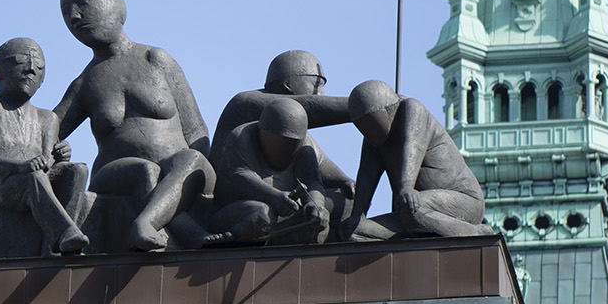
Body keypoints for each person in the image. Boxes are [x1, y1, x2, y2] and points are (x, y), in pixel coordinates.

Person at [54, 0, 214, 252]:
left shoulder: (156, 59)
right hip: (116, 173)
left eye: (83, 4)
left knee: (193, 158)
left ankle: (155, 224)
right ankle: (164, 229)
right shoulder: (84, 84)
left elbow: (196, 130)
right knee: (144, 170)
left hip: (176, 170)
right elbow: (45, 129)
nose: (74, 16)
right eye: (66, 11)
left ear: (116, 7)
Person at [210, 50, 354, 230]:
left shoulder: (297, 127)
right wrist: (368, 105)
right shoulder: (245, 104)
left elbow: (318, 161)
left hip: (285, 202)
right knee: (260, 213)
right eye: (315, 83)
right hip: (241, 204)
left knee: (346, 202)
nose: (322, 94)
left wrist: (345, 181)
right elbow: (313, 106)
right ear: (288, 84)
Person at [0, 38, 89, 258]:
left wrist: (60, 158)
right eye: (20, 61)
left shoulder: (48, 119)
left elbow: (48, 168)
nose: (30, 70)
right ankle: (66, 233)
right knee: (34, 177)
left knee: (77, 171)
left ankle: (54, 249)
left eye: (38, 66)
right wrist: (22, 166)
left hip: (35, 183)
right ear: (0, 71)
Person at [342, 80, 490, 240]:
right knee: (355, 232)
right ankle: (417, 237)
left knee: (412, 209)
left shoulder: (411, 108)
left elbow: (412, 145)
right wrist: (357, 215)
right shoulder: (373, 137)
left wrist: (406, 187)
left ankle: (473, 232)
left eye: (372, 120)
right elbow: (367, 174)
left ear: (387, 109)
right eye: (362, 125)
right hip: (413, 209)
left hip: (462, 201)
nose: (369, 128)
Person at [206, 97, 332, 245]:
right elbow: (241, 174)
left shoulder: (306, 145)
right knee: (261, 214)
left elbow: (313, 182)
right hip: (237, 211)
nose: (285, 148)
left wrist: (316, 204)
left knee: (324, 214)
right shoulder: (241, 136)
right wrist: (274, 196)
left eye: (292, 143)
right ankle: (229, 238)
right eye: (279, 141)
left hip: (284, 214)